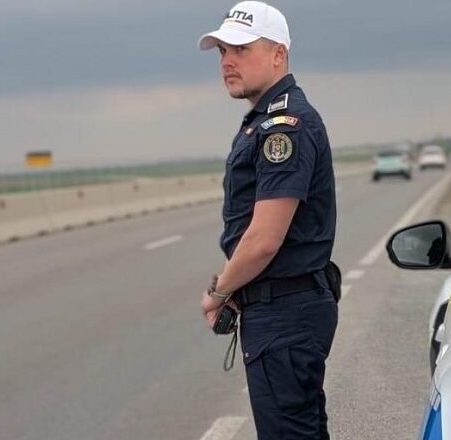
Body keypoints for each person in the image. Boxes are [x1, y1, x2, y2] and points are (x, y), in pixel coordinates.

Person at [197, 2, 339, 439]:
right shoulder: (265, 120)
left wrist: (219, 290)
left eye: (239, 49)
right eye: (222, 51)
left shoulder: (284, 126)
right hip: (283, 312)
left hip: (285, 315)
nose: (227, 62)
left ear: (278, 54)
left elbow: (263, 239)